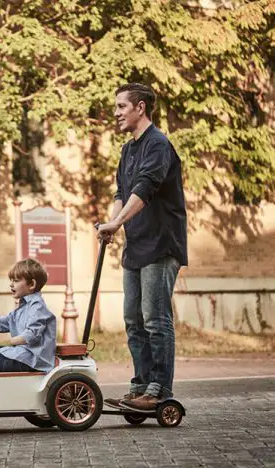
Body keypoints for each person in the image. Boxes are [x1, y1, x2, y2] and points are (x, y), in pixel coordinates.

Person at [97, 83, 188, 411]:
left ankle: (159, 388)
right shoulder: (128, 149)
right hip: (136, 244)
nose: (117, 112)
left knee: (154, 318)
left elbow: (146, 188)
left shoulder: (158, 145)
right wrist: (112, 224)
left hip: (161, 243)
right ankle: (139, 386)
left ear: (140, 108)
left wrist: (117, 222)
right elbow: (122, 192)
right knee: (133, 318)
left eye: (122, 106)